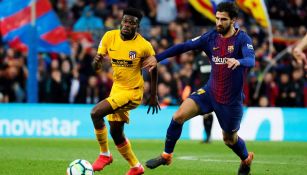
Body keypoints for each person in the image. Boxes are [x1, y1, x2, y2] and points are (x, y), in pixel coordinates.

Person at [143, 2, 255, 175]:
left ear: (233, 20)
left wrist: (238, 61)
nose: (218, 22)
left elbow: (251, 60)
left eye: (223, 19)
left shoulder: (243, 39)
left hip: (230, 100)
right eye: (217, 18)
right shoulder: (210, 37)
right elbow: (184, 46)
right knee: (178, 115)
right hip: (209, 92)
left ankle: (246, 159)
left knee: (229, 139)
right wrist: (157, 57)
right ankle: (166, 156)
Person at [90, 7, 160, 175]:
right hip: (117, 89)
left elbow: (154, 69)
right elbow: (96, 67)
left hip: (132, 92)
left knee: (95, 113)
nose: (128, 25)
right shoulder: (109, 37)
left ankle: (104, 155)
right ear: (121, 22)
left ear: (138, 27)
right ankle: (136, 166)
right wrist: (97, 61)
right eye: (126, 21)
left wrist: (153, 94)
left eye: (132, 23)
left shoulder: (144, 46)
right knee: (115, 132)